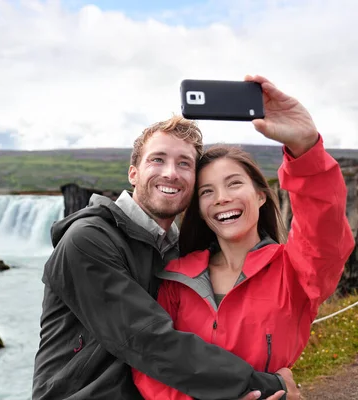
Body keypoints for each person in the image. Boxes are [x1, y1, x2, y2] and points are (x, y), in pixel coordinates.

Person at [32, 75, 302, 400]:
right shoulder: (87, 241)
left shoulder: (176, 251)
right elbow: (150, 341)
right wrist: (271, 386)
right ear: (133, 172)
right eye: (157, 159)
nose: (171, 173)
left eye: (184, 164)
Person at [131, 75, 356, 400]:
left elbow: (324, 233)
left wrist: (305, 146)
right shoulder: (175, 280)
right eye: (207, 191)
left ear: (262, 196)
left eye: (234, 183)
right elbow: (149, 365)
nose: (221, 197)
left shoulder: (295, 271)